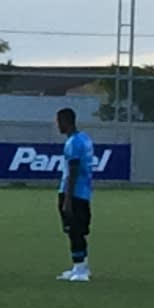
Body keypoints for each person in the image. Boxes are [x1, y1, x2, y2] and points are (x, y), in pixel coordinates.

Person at [55, 108, 94, 283]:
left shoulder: (73, 143)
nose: (57, 125)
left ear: (65, 121)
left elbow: (73, 170)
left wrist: (68, 199)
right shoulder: (84, 138)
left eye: (59, 122)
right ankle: (81, 266)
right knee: (79, 230)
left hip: (74, 193)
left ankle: (80, 270)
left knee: (74, 231)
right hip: (84, 192)